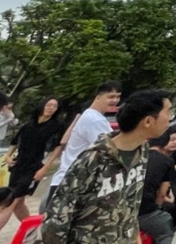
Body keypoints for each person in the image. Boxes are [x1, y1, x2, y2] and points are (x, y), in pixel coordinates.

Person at [14, 89, 171, 244]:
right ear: (148, 121)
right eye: (168, 112)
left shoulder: (141, 152)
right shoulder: (92, 161)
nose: (170, 118)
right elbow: (52, 231)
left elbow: (128, 204)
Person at [44, 82, 122, 210]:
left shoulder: (93, 116)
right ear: (98, 97)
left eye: (118, 96)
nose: (115, 100)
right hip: (70, 186)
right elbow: (110, 150)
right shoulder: (94, 120)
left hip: (70, 183)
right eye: (111, 96)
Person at [1, 98, 65, 233]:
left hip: (34, 168)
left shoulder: (57, 126)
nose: (51, 108)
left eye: (55, 106)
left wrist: (45, 168)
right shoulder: (29, 125)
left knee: (10, 202)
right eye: (49, 105)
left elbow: (57, 148)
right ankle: (34, 230)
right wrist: (8, 156)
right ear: (42, 105)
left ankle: (32, 231)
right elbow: (15, 142)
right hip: (18, 166)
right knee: (18, 204)